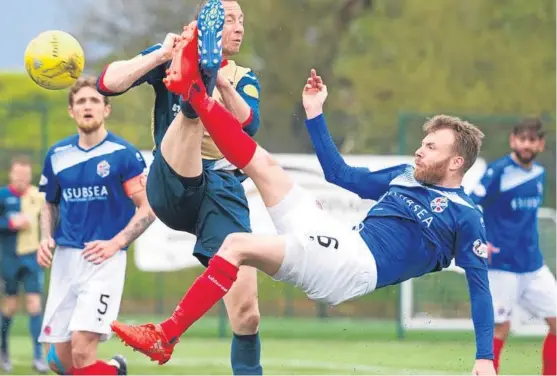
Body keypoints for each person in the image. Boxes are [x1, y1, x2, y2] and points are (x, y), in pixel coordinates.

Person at [111, 42, 497, 375]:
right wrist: (314, 112)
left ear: (456, 162)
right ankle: (197, 96)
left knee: (235, 246)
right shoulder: (405, 175)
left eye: (431, 147)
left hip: (351, 269)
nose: (419, 149)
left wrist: (484, 357)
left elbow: (479, 287)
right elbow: (339, 173)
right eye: (423, 142)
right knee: (262, 165)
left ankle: (166, 335)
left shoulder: (465, 215)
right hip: (339, 241)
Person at [97, 1, 264, 373]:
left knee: (247, 315)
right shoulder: (168, 55)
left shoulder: (242, 75)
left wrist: (219, 80)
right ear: (202, 26)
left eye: (242, 22)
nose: (239, 28)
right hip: (171, 182)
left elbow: (249, 126)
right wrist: (160, 54)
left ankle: (165, 337)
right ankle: (195, 90)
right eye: (229, 21)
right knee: (192, 115)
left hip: (221, 189)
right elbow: (106, 82)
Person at [37, 76, 155, 375]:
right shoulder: (57, 155)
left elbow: (148, 207)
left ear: (106, 110)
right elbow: (48, 204)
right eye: (80, 102)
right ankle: (114, 370)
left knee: (82, 349)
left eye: (94, 101)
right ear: (71, 111)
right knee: (59, 361)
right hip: (65, 260)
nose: (87, 106)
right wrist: (44, 239)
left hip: (104, 261)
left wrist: (116, 243)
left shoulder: (123, 154)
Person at [469, 118, 556, 375]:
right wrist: (480, 240)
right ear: (512, 141)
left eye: (532, 140)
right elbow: (472, 205)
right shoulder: (498, 172)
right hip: (501, 266)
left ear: (541, 144)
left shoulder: (540, 174)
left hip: (533, 266)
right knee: (500, 328)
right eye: (522, 139)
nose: (526, 145)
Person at [0, 155, 48, 373]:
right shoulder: (3, 195)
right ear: (11, 174)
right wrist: (9, 222)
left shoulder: (38, 196)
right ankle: (3, 352)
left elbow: (52, 214)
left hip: (31, 259)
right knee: (9, 307)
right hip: (8, 260)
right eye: (18, 175)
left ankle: (39, 357)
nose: (22, 179)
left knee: (34, 305)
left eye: (26, 175)